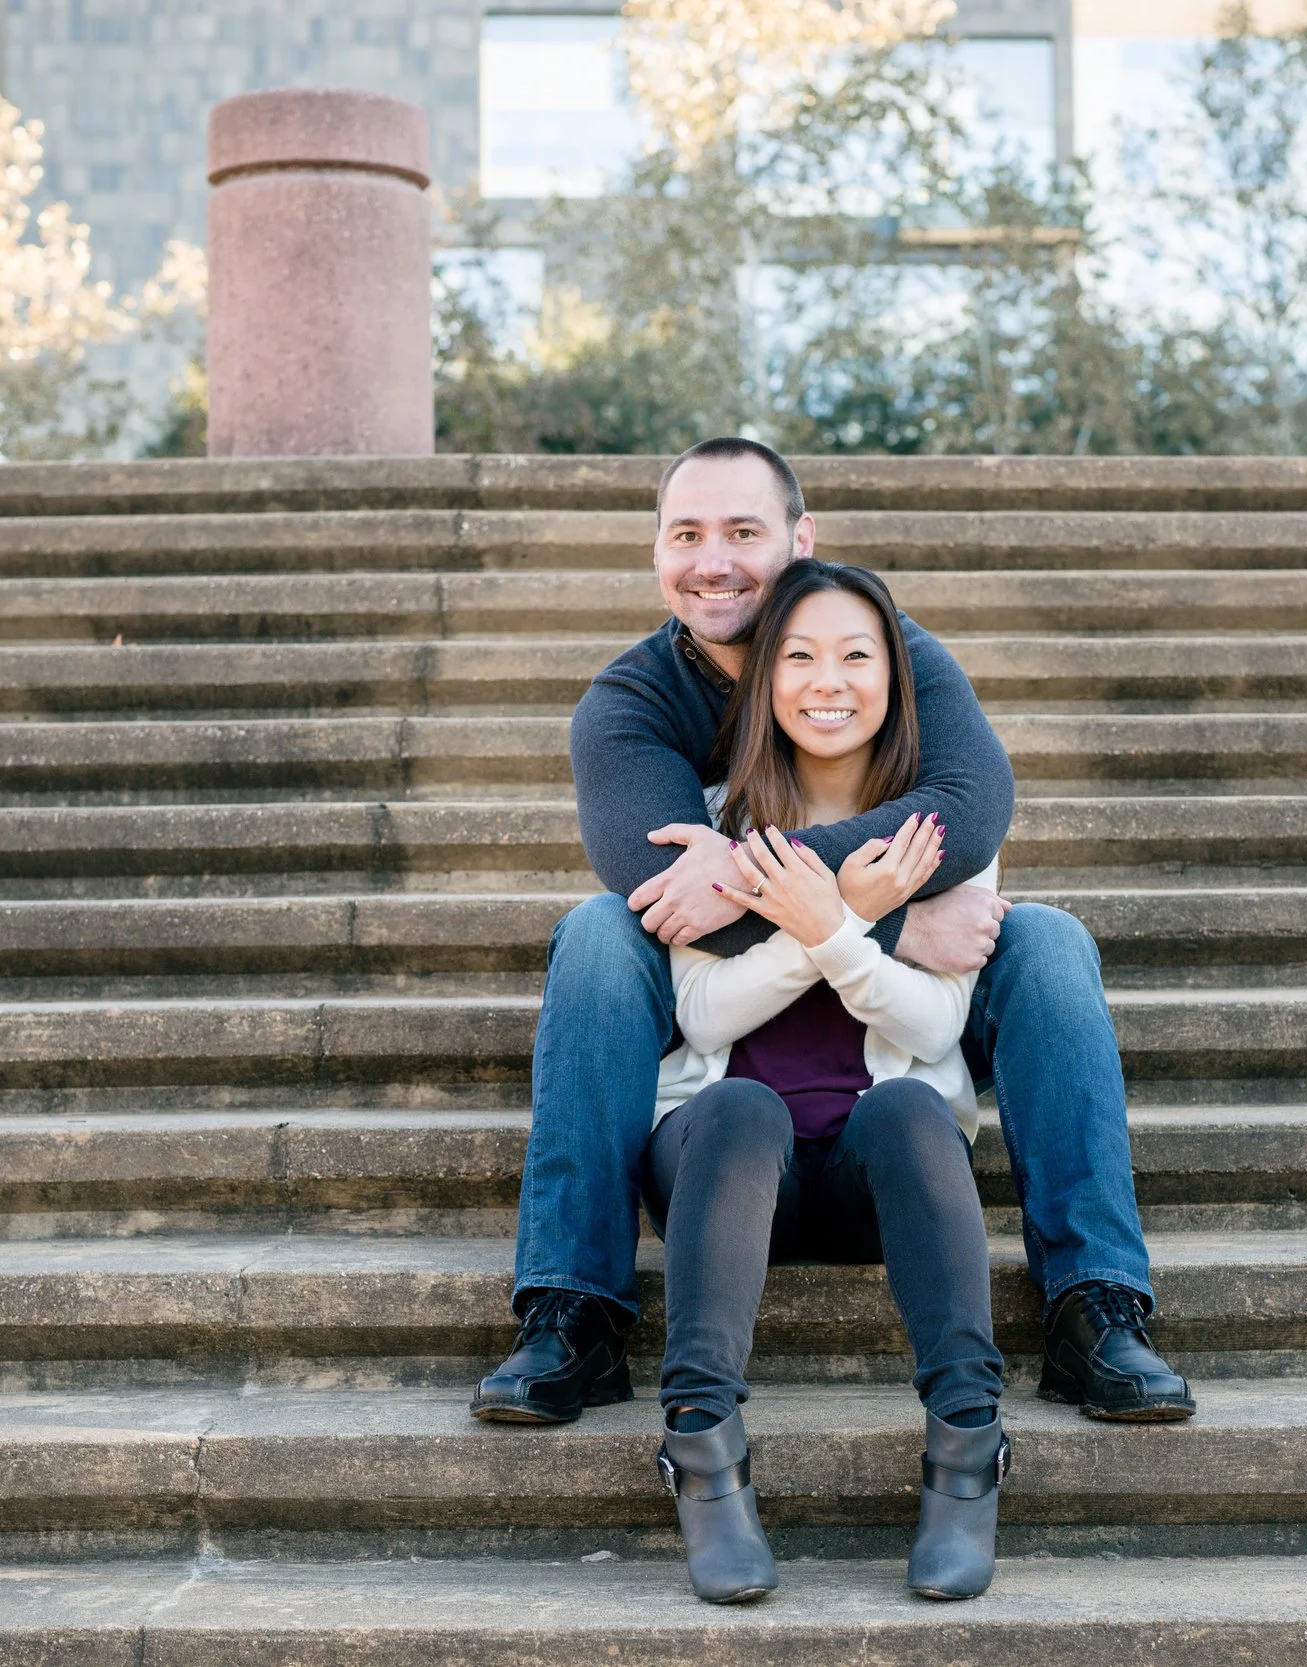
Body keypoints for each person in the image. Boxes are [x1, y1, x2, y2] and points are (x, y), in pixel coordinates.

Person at [470, 436, 1193, 1430]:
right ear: (656, 551)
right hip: (720, 1015)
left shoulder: (882, 646)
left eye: (743, 531)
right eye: (686, 534)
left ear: (800, 539)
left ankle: (1093, 1302)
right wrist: (888, 912)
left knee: (1048, 941)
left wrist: (758, 873)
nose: (712, 559)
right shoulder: (629, 699)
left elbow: (971, 806)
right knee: (596, 934)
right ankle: (574, 1307)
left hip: (878, 1026)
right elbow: (661, 893)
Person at [646, 560, 1007, 1604]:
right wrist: (831, 922)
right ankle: (702, 1454)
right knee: (739, 1102)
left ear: (897, 677)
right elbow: (704, 1014)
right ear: (764, 681)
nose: (827, 679)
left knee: (907, 1102)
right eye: (797, 655)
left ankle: (968, 1453)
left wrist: (833, 928)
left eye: (856, 654)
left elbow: (939, 1019)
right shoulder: (717, 827)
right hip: (718, 1161)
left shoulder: (943, 829)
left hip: (868, 1173)